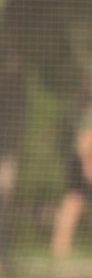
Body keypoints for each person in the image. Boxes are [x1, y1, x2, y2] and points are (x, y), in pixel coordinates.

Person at [51, 83, 92, 260]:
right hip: (84, 162)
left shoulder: (80, 110)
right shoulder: (87, 113)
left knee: (73, 203)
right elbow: (84, 142)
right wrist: (88, 165)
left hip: (81, 161)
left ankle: (60, 246)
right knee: (73, 203)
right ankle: (60, 246)